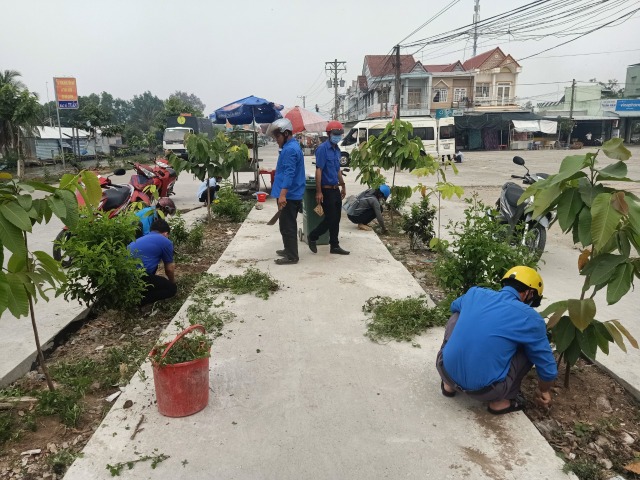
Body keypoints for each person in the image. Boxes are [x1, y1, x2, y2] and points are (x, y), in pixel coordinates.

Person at [436, 266, 557, 415]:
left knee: (457, 317)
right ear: (529, 293)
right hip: (486, 391)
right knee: (529, 348)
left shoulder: (475, 293)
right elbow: (547, 366)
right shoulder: (531, 318)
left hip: (445, 370)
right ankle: (500, 402)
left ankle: (449, 384)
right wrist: (544, 390)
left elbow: (454, 306)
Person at [308, 120, 349, 255]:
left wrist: (342, 185)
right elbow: (319, 170)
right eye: (335, 133)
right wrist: (319, 191)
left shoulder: (337, 150)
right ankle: (315, 237)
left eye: (339, 134)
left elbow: (337, 170)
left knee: (336, 218)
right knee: (332, 218)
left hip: (335, 189)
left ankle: (333, 245)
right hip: (326, 190)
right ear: (328, 133)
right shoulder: (322, 149)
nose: (337, 136)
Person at [268, 118, 305, 265]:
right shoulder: (290, 147)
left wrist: (282, 195)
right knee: (284, 224)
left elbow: (289, 173)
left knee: (288, 225)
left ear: (286, 133)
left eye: (278, 136)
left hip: (289, 195)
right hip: (288, 193)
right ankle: (287, 249)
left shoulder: (290, 150)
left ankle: (292, 256)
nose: (276, 140)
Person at [128, 218, 177, 307]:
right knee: (171, 289)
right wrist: (172, 282)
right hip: (139, 276)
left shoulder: (142, 238)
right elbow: (169, 269)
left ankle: (137, 294)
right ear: (166, 234)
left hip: (126, 275)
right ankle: (138, 301)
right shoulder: (166, 242)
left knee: (154, 268)